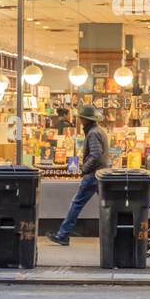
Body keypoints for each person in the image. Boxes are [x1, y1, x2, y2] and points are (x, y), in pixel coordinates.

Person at [47, 105, 110, 246]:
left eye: (81, 118)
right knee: (108, 205)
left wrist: (84, 169)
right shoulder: (99, 130)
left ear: (85, 119)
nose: (80, 121)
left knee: (76, 204)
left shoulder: (93, 133)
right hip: (102, 174)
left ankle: (63, 235)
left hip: (94, 175)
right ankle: (112, 234)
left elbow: (95, 155)